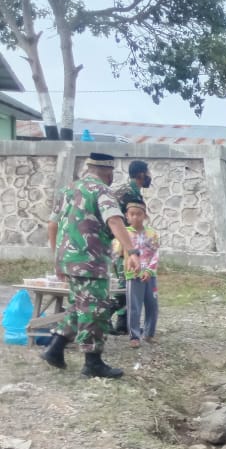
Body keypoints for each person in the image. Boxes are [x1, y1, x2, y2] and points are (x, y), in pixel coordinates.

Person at [40, 152, 141, 378]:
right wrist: (132, 251)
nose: (112, 177)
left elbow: (52, 225)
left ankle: (54, 349)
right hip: (90, 260)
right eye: (112, 173)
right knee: (95, 309)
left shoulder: (68, 190)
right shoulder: (101, 190)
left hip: (68, 259)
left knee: (80, 305)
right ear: (107, 171)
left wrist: (57, 257)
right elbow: (114, 220)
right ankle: (92, 363)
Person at [108, 160, 153, 335]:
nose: (149, 176)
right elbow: (127, 226)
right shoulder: (130, 196)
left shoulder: (126, 191)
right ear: (141, 174)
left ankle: (122, 323)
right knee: (127, 286)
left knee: (127, 283)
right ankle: (105, 316)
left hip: (120, 245)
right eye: (147, 172)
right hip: (122, 247)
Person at [122, 202, 160, 349]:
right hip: (133, 275)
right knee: (134, 307)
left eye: (139, 214)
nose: (135, 217)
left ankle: (149, 333)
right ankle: (134, 336)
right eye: (132, 214)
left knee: (152, 305)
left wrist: (150, 271)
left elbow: (156, 253)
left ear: (145, 216)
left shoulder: (152, 234)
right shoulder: (124, 233)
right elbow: (115, 251)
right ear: (127, 216)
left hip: (151, 276)